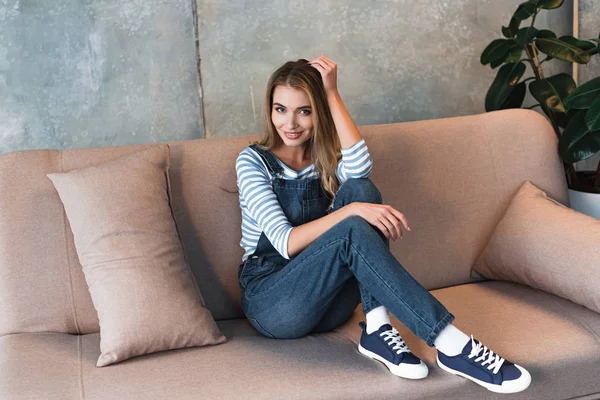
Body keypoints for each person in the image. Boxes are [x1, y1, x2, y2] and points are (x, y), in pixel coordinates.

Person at [234, 55, 531, 394]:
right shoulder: (253, 161)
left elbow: (360, 169)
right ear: (270, 111)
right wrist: (350, 213)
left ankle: (376, 328)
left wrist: (332, 93)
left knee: (361, 189)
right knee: (352, 221)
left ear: (319, 113)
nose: (291, 123)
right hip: (276, 303)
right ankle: (452, 344)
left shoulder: (323, 157)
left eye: (305, 110)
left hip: (330, 305)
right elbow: (284, 242)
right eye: (280, 109)